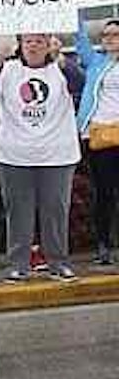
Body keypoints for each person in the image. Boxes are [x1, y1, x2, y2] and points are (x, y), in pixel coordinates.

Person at [0, 35, 81, 283]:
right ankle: (19, 264)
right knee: (18, 211)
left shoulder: (60, 68)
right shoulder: (9, 70)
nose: (33, 46)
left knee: (55, 211)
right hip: (15, 154)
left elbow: (79, 82)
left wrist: (61, 58)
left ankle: (58, 263)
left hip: (56, 154)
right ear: (20, 46)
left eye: (39, 41)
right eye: (28, 41)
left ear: (48, 45)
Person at [77, 17, 119, 265]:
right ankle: (103, 244)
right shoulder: (96, 63)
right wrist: (74, 9)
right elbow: (81, 41)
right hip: (100, 135)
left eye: (115, 34)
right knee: (104, 193)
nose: (110, 39)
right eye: (106, 35)